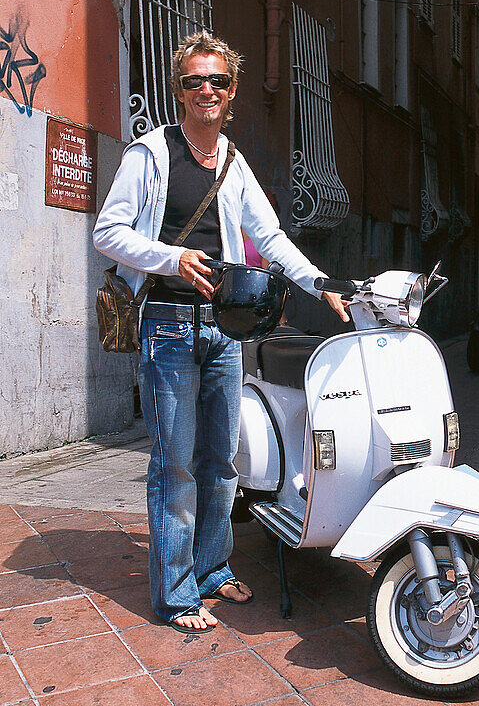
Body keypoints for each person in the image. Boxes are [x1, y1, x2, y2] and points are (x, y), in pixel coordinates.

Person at [93, 32, 348, 632]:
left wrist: (321, 283)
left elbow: (272, 238)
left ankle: (212, 569)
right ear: (178, 92)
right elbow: (108, 231)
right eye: (193, 81)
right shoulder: (151, 155)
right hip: (168, 327)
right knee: (174, 464)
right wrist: (168, 259)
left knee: (222, 464)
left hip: (224, 330)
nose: (206, 90)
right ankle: (178, 593)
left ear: (231, 92)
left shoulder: (233, 162)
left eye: (218, 81)